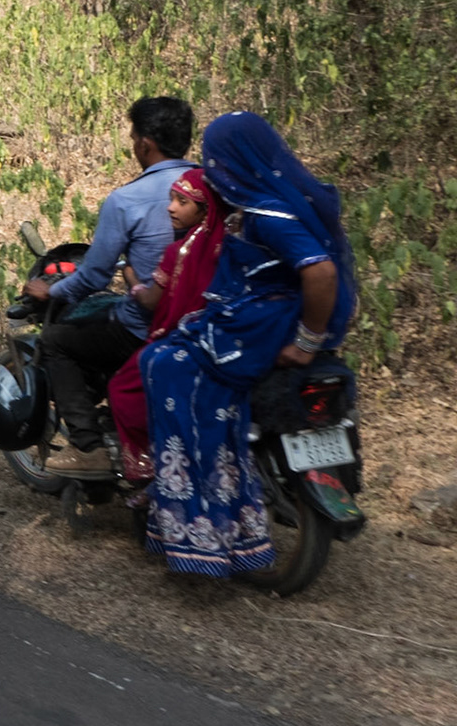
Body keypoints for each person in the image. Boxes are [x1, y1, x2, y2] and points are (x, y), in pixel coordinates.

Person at [140, 112, 358, 577]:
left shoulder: (270, 215)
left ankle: (202, 516)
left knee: (163, 362)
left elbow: (320, 272)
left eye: (216, 158)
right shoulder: (291, 199)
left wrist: (306, 341)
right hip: (262, 318)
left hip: (263, 329)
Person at [25, 96, 196, 476]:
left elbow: (95, 276)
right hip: (203, 324)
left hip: (146, 327)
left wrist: (50, 291)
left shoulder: (127, 200)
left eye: (133, 136)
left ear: (145, 144)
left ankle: (89, 449)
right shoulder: (211, 190)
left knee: (56, 341)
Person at [103, 167, 226, 481]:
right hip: (221, 340)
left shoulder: (180, 251)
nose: (171, 207)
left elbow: (151, 301)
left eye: (182, 202)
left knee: (121, 388)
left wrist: (129, 274)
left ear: (204, 209)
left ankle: (146, 467)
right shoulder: (227, 244)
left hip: (181, 340)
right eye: (172, 199)